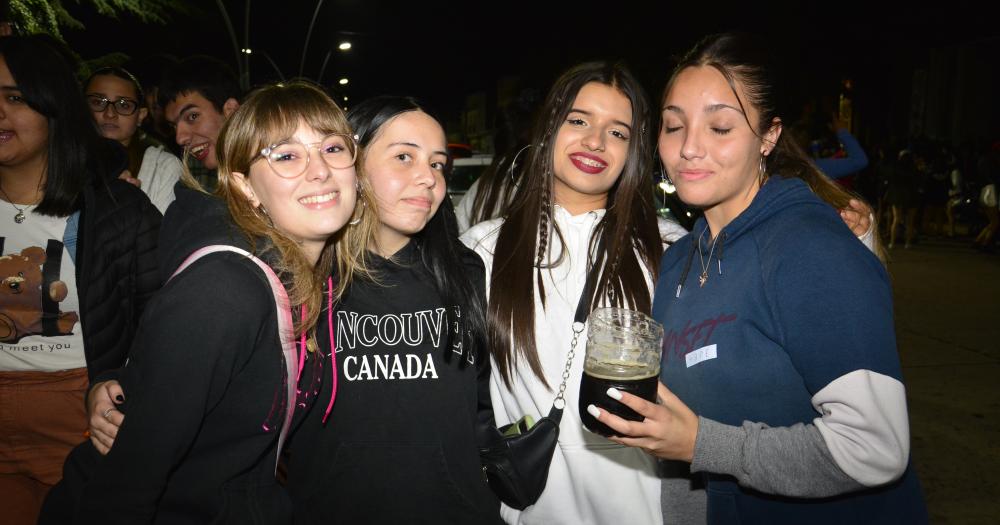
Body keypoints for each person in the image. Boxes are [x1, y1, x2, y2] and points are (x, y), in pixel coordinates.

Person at [589, 33, 927, 524]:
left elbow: (875, 445)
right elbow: (681, 449)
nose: (689, 148)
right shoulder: (680, 259)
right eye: (672, 126)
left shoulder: (808, 247)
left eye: (720, 127)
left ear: (768, 137)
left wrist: (704, 443)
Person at [54, 81, 371, 523]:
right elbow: (124, 489)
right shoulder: (225, 290)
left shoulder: (320, 279)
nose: (319, 170)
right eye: (285, 155)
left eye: (333, 148)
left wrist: (121, 379)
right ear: (245, 188)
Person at [462, 61, 686, 525]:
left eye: (618, 132)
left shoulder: (669, 249)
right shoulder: (483, 250)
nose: (595, 142)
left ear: (635, 151)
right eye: (579, 120)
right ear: (548, 129)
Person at [287, 96, 502, 524]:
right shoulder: (303, 276)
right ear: (352, 164)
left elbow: (484, 404)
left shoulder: (464, 270)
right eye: (404, 157)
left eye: (439, 164)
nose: (428, 178)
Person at [0, 34, 161, 525]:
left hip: (83, 425)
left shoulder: (120, 212)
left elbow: (160, 325)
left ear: (54, 107)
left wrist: (119, 391)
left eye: (14, 97)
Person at [85, 66, 183, 213]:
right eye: (98, 102)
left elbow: (163, 233)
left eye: (124, 105)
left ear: (141, 115)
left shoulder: (162, 167)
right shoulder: (57, 160)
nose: (110, 113)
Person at [159, 56, 241, 189]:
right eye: (174, 126)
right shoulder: (194, 178)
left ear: (231, 111)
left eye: (192, 116)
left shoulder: (278, 169)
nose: (180, 138)